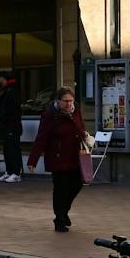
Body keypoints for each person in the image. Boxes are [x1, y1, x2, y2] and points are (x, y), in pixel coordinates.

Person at [27, 85, 89, 232]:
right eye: (65, 101)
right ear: (58, 101)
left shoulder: (76, 111)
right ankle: (59, 220)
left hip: (75, 156)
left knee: (77, 184)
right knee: (61, 189)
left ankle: (63, 212)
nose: (69, 104)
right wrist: (32, 160)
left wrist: (85, 135)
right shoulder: (50, 115)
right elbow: (41, 138)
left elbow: (81, 128)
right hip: (58, 157)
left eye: (71, 101)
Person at [0, 74, 24, 182]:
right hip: (7, 124)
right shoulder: (5, 90)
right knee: (7, 149)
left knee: (13, 148)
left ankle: (16, 173)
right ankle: (9, 171)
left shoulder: (12, 90)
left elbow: (13, 107)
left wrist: (4, 115)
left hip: (12, 124)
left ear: (3, 79)